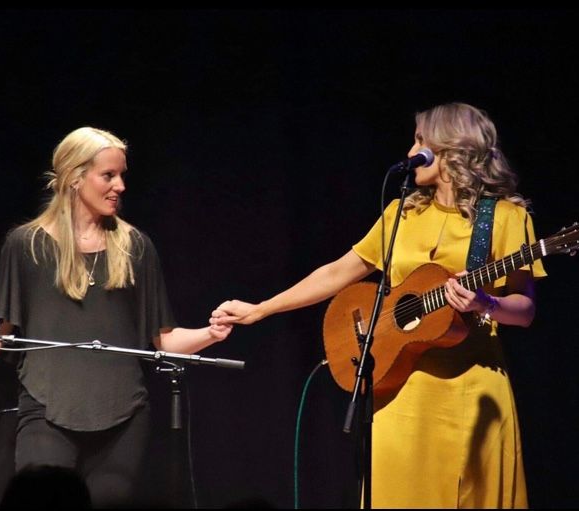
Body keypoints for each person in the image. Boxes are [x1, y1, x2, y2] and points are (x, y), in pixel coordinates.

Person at [213, 102, 545, 508]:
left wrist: (485, 302)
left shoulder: (506, 217)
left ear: (450, 148)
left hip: (469, 392)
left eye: (420, 141)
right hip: (400, 385)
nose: (410, 152)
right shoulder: (402, 213)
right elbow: (339, 272)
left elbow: (524, 309)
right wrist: (261, 309)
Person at [0, 126, 233, 508]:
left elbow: (163, 341)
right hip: (46, 411)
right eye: (108, 175)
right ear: (75, 178)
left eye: (122, 175)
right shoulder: (26, 245)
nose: (120, 186)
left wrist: (210, 333)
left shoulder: (136, 247)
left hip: (124, 418)